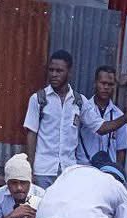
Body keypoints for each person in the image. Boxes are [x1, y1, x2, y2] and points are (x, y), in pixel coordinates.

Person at [24, 50, 85, 188]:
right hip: (43, 170)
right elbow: (31, 134)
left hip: (68, 171)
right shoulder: (38, 99)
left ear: (69, 72)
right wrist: (30, 169)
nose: (54, 74)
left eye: (59, 71)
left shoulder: (79, 102)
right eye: (51, 70)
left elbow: (99, 127)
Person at [77, 65, 127, 166]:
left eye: (110, 84)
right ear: (95, 83)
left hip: (108, 170)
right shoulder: (83, 110)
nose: (106, 87)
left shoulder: (119, 115)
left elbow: (121, 150)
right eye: (103, 83)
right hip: (84, 168)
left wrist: (118, 170)